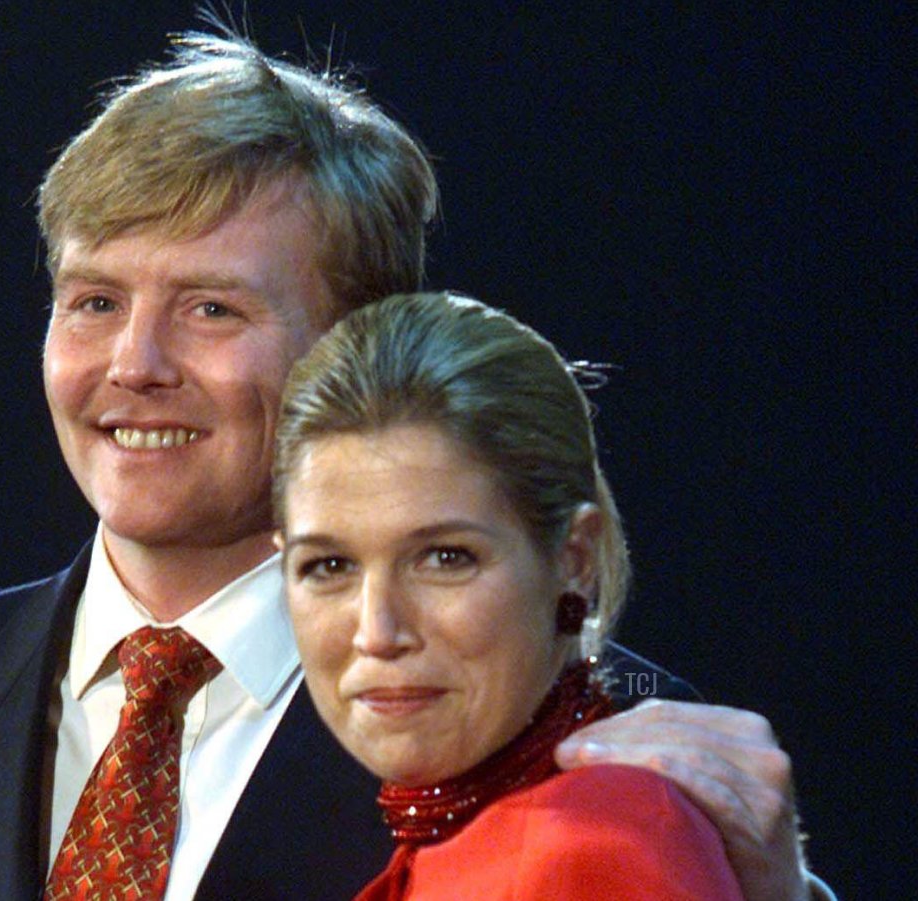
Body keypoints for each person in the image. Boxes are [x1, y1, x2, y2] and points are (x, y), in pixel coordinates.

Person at [0, 29, 827, 901]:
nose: (134, 365)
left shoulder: (571, 734)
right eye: (94, 301)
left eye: (211, 308)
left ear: (354, 339)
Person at [274, 291, 741, 898]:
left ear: (574, 560)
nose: (378, 632)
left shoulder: (595, 847)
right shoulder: (471, 844)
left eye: (445, 558)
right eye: (329, 565)